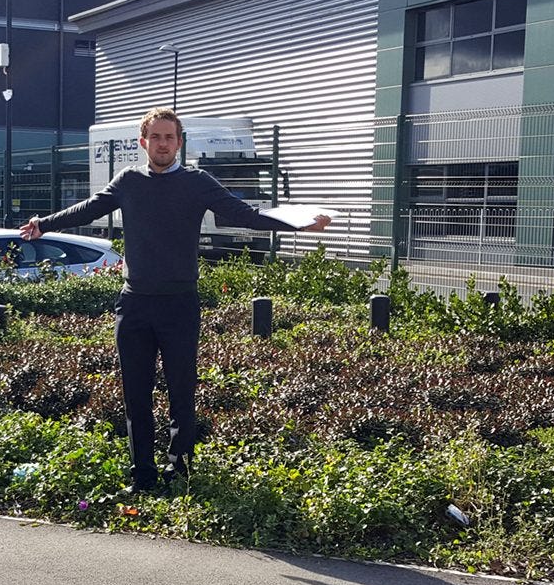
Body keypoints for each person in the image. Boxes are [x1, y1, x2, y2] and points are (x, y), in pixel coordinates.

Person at [20, 106, 330, 492]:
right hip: (133, 306)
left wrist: (296, 222)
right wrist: (43, 224)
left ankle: (178, 470)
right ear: (143, 142)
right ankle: (143, 475)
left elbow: (242, 214)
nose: (162, 144)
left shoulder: (198, 182)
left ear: (179, 143)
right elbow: (90, 207)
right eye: (156, 137)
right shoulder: (128, 180)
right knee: (136, 393)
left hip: (179, 305)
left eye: (169, 137)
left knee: (181, 391)